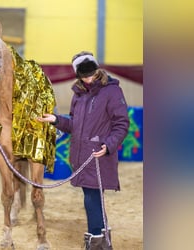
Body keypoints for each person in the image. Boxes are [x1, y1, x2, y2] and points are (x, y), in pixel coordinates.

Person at [37, 51, 129, 249]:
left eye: (91, 74)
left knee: (91, 199)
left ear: (97, 70)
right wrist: (56, 120)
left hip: (98, 155)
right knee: (93, 198)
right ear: (77, 74)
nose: (88, 79)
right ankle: (102, 241)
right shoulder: (78, 94)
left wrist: (109, 145)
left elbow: (122, 123)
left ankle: (96, 241)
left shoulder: (111, 91)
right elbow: (74, 125)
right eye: (84, 75)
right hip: (81, 156)